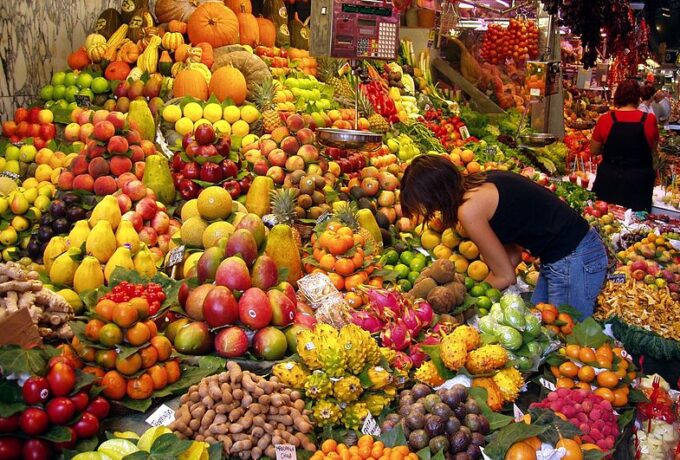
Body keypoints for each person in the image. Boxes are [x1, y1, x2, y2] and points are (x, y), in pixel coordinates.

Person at [399, 154, 608, 317]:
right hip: (568, 254)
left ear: (435, 195)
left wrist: (464, 300)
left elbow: (505, 277)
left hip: (573, 258)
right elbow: (513, 257)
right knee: (543, 328)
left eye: (427, 206)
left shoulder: (469, 209)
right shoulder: (482, 182)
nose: (432, 212)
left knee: (567, 342)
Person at [591, 80, 659, 212]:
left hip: (610, 179)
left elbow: (594, 150)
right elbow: (653, 149)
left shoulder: (606, 119)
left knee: (606, 220)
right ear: (638, 97)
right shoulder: (649, 119)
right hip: (638, 182)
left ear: (617, 97)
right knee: (638, 225)